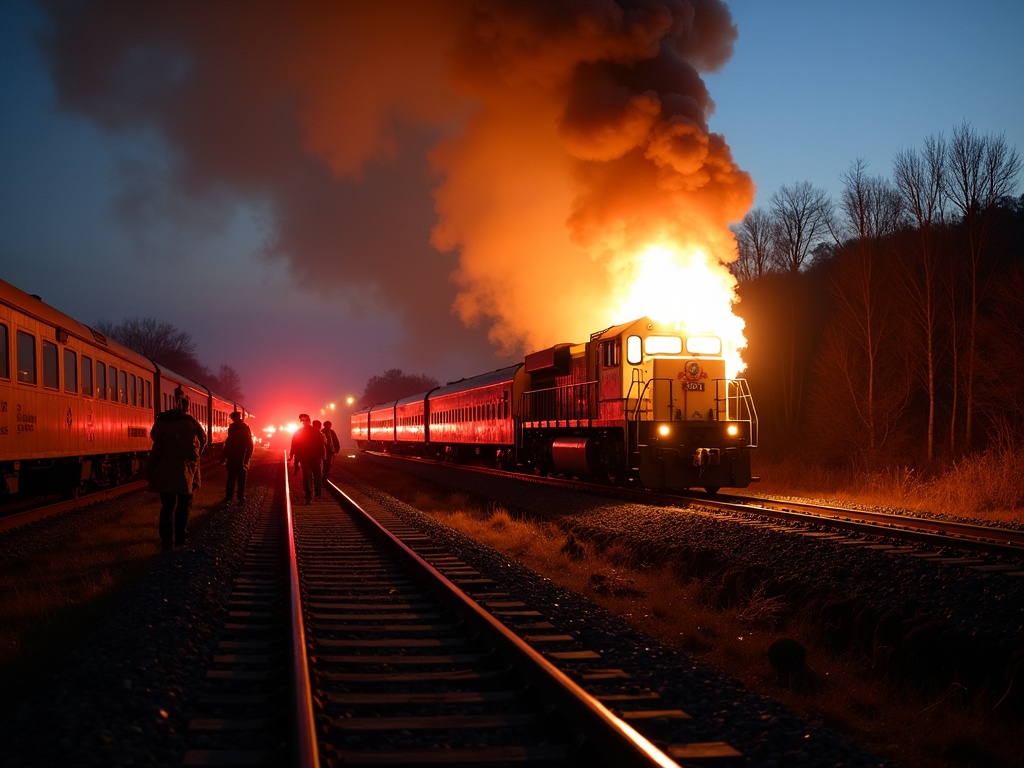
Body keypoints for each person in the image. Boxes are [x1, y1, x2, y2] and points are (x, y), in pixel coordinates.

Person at [148, 391, 207, 550]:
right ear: (187, 408)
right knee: (184, 504)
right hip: (185, 471)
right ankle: (180, 537)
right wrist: (195, 457)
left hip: (165, 469)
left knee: (167, 507)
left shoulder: (162, 421)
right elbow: (204, 440)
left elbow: (153, 436)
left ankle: (166, 540)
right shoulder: (191, 423)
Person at [289, 413, 326, 504]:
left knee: (307, 476)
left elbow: (294, 445)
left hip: (305, 457)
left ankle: (309, 495)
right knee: (316, 475)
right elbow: (321, 444)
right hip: (315, 457)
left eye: (302, 421)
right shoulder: (316, 431)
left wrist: (292, 456)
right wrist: (322, 456)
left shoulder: (299, 432)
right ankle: (317, 492)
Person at [221, 411, 254, 505]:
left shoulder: (232, 428)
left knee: (231, 478)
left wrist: (224, 456)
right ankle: (240, 497)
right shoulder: (245, 428)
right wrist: (248, 457)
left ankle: (228, 497)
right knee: (241, 478)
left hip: (233, 457)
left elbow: (228, 444)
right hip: (242, 457)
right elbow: (250, 444)